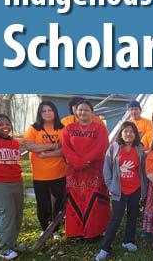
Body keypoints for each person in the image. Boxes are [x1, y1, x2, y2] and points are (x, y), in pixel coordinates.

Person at [95, 121, 148, 260]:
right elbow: (106, 169)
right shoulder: (114, 148)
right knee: (116, 219)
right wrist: (110, 186)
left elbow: (142, 170)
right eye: (126, 131)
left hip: (135, 189)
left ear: (135, 134)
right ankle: (105, 248)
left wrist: (144, 189)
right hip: (119, 190)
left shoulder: (139, 149)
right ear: (121, 133)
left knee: (132, 216)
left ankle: (128, 241)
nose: (129, 134)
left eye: (131, 131)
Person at [61, 100, 110, 239]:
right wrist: (77, 162)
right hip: (74, 171)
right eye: (80, 110)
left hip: (93, 170)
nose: (83, 112)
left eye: (86, 110)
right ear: (75, 112)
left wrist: (85, 161)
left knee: (93, 199)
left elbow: (101, 147)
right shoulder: (68, 129)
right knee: (75, 199)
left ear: (92, 112)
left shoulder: (100, 128)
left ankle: (93, 232)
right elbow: (65, 148)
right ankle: (75, 232)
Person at [23, 101, 66, 239]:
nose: (47, 113)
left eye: (50, 110)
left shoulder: (62, 129)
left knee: (58, 203)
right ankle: (44, 228)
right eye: (44, 111)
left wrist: (46, 152)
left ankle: (55, 230)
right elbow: (30, 146)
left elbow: (64, 149)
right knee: (43, 204)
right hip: (40, 175)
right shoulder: (33, 129)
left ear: (55, 112)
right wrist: (53, 146)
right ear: (40, 114)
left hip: (59, 172)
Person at [0, 114, 23, 260]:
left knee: (17, 215)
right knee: (6, 215)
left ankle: (12, 242)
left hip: (17, 182)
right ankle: (4, 249)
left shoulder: (15, 142)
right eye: (0, 124)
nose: (5, 127)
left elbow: (15, 161)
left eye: (7, 124)